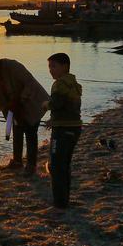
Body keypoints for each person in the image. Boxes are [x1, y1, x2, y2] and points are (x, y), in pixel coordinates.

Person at [0, 54, 49, 176]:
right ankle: (17, 162)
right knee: (17, 132)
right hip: (14, 109)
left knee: (31, 133)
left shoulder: (12, 66)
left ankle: (31, 166)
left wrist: (19, 100)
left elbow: (29, 83)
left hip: (32, 102)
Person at [43, 53, 83, 209]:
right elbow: (69, 107)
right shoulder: (73, 82)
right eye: (49, 67)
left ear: (65, 66)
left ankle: (59, 203)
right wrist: (53, 119)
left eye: (54, 66)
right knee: (64, 165)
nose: (51, 70)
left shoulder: (59, 84)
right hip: (74, 128)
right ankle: (64, 200)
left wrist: (46, 105)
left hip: (62, 131)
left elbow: (57, 104)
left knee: (55, 166)